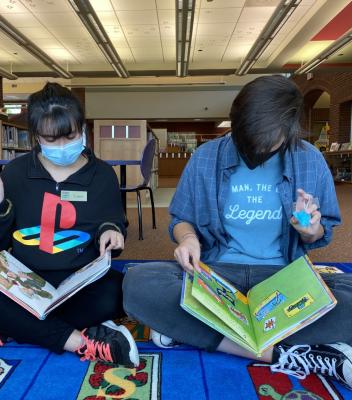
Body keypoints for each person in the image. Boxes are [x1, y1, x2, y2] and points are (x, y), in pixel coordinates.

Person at [123, 75, 352, 388]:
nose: (255, 148)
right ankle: (286, 352)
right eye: (247, 139)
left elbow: (321, 233)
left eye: (267, 140)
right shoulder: (207, 156)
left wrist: (310, 230)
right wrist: (188, 239)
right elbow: (181, 218)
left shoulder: (309, 160)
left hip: (282, 279)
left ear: (290, 129)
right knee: (137, 283)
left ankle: (191, 328)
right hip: (218, 274)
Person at [0, 82, 139, 368]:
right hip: (23, 279)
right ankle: (79, 341)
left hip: (78, 281)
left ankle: (2, 327)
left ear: (83, 129)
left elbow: (112, 221)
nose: (63, 147)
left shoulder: (102, 174)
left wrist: (111, 232)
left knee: (125, 290)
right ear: (36, 137)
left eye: (71, 136)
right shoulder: (14, 173)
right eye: (52, 140)